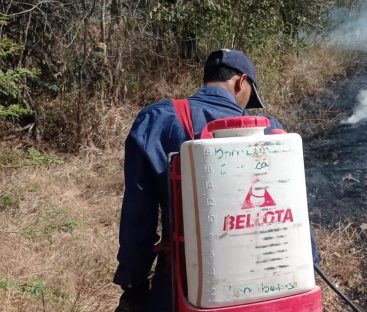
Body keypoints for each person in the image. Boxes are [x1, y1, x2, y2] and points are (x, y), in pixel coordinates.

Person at [113, 49, 320, 312]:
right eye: (249, 97)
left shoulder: (159, 120)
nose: (246, 105)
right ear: (240, 82)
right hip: (272, 294)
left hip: (184, 289)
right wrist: (309, 269)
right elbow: (293, 211)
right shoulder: (269, 128)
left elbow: (137, 218)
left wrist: (134, 283)